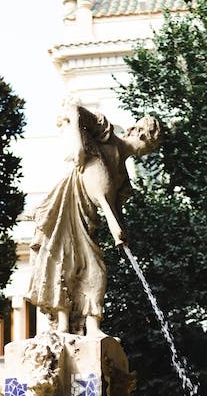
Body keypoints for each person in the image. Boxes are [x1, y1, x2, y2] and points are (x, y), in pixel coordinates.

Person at [27, 101, 161, 335]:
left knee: (96, 271)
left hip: (89, 221)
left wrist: (121, 231)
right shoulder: (105, 134)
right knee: (64, 263)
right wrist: (79, 147)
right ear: (140, 133)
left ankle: (92, 325)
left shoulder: (122, 178)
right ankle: (62, 325)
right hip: (68, 205)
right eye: (150, 145)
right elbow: (74, 110)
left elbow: (114, 211)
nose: (147, 152)